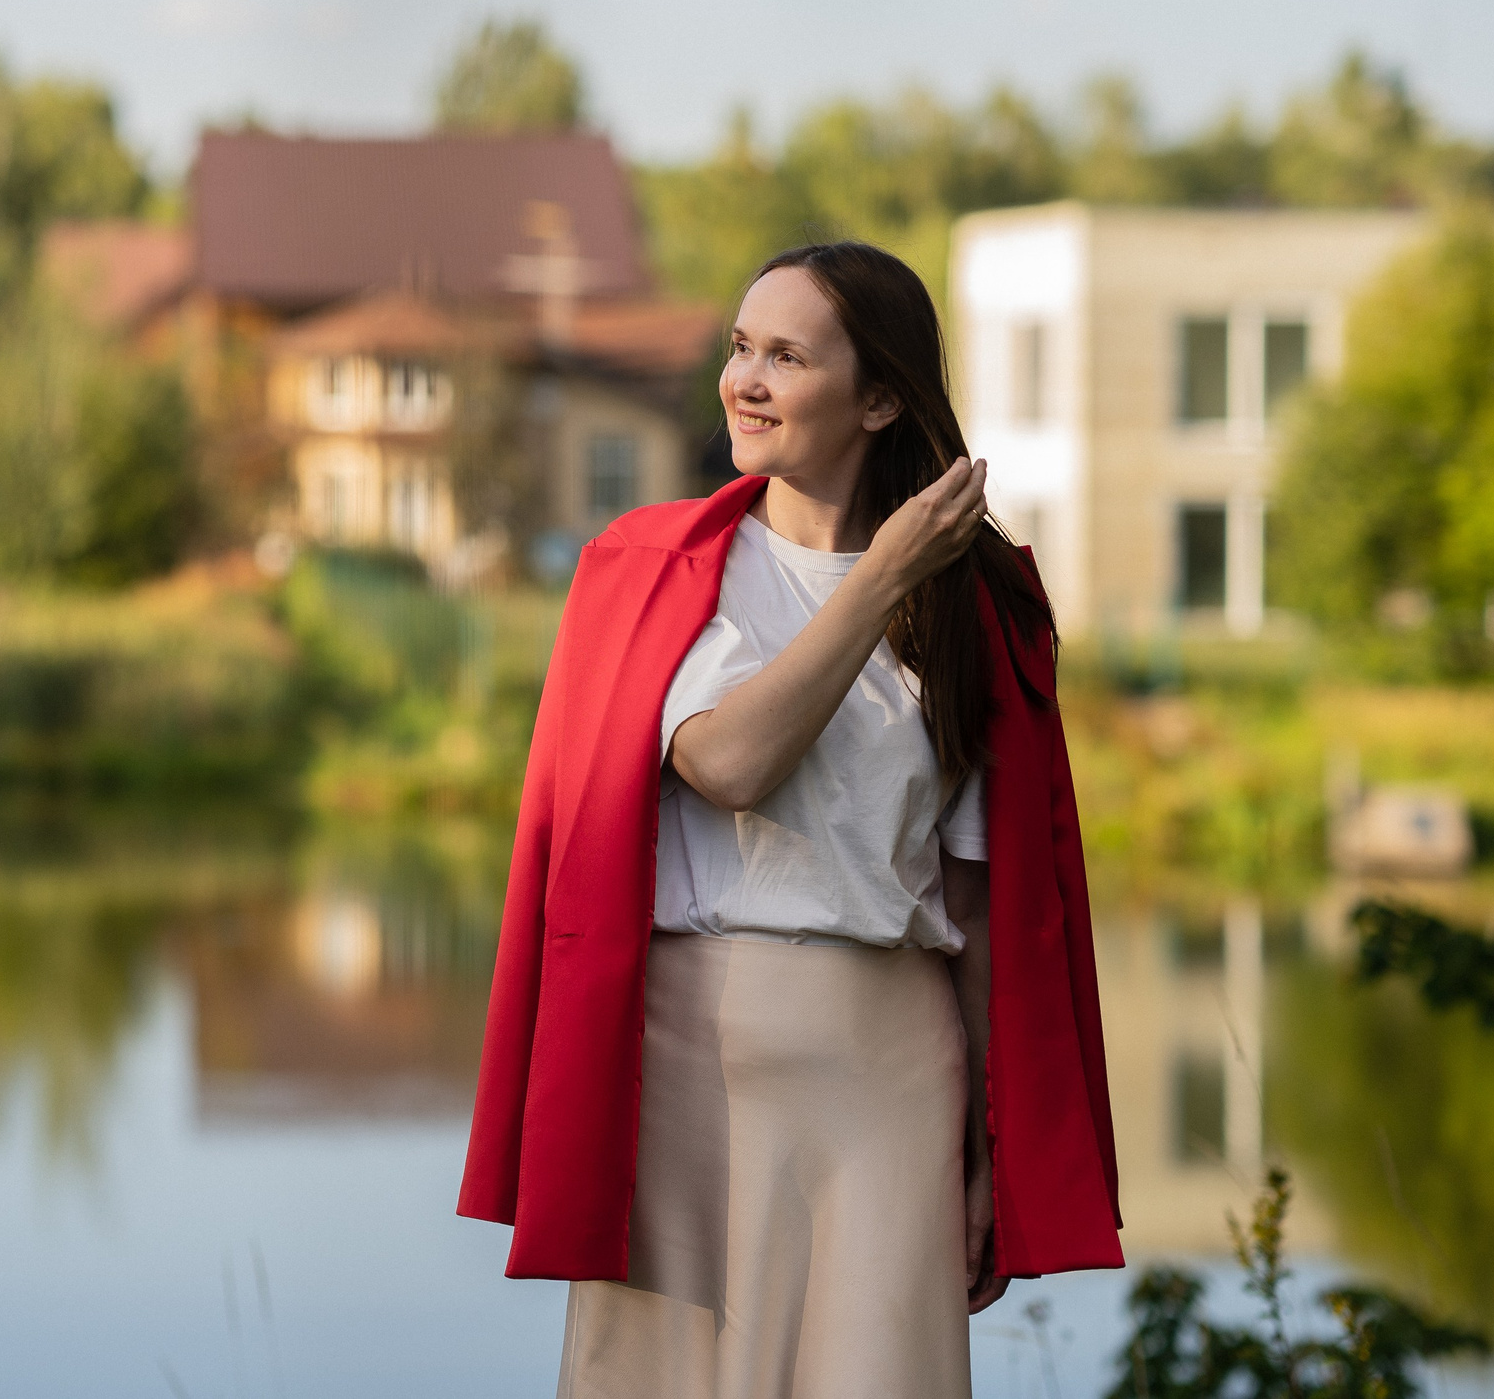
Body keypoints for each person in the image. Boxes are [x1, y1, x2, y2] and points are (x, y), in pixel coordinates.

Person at [458, 241, 1121, 1399]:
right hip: (685, 1064)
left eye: (786, 355)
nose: (744, 381)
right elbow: (730, 761)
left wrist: (986, 1160)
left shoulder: (974, 608)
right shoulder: (664, 570)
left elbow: (974, 903)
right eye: (739, 347)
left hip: (889, 1076)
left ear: (876, 399)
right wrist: (883, 576)